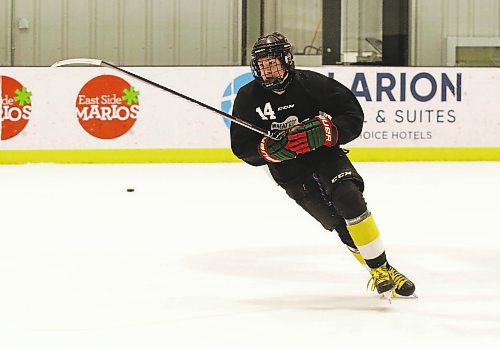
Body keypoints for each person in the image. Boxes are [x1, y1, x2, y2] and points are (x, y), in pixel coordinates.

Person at [230, 32, 416, 298]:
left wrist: (330, 131)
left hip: (325, 155)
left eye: (273, 63)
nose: (268, 70)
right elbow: (242, 147)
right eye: (263, 65)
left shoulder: (311, 83)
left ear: (286, 61)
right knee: (339, 223)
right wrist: (267, 151)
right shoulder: (248, 97)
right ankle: (382, 269)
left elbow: (352, 115)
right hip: (290, 172)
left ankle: (381, 270)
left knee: (349, 199)